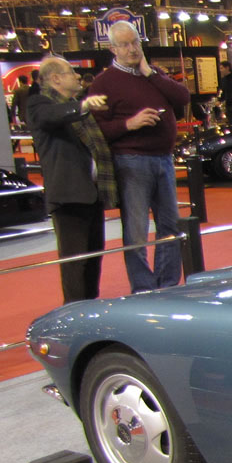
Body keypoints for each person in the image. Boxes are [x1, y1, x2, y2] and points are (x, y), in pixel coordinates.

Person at [89, 20, 190, 293]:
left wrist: (150, 73)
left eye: (135, 42)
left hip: (164, 159)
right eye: (125, 45)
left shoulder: (153, 74)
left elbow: (182, 97)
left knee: (170, 225)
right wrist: (129, 124)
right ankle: (143, 288)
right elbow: (96, 131)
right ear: (113, 49)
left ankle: (167, 285)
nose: (132, 49)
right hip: (131, 162)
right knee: (136, 231)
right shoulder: (103, 83)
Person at [26, 57, 115, 303]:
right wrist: (83, 106)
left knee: (93, 258)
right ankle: (74, 310)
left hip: (92, 193)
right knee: (75, 263)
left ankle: (89, 306)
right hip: (68, 196)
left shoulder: (75, 106)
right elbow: (50, 116)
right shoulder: (39, 104)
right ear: (55, 78)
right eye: (70, 72)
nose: (76, 76)